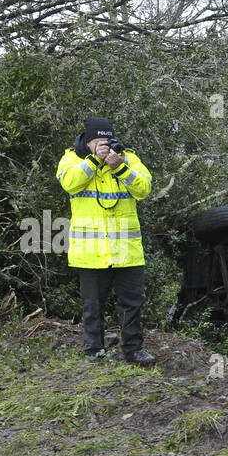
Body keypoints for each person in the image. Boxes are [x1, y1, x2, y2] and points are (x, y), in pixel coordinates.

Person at [56, 116, 155, 366]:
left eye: (108, 141)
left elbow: (144, 189)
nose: (105, 146)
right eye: (99, 142)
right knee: (93, 305)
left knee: (132, 302)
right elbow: (69, 184)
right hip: (91, 250)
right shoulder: (72, 159)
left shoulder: (128, 157)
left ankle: (133, 350)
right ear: (88, 142)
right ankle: (94, 351)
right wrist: (94, 161)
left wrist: (120, 167)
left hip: (126, 249)